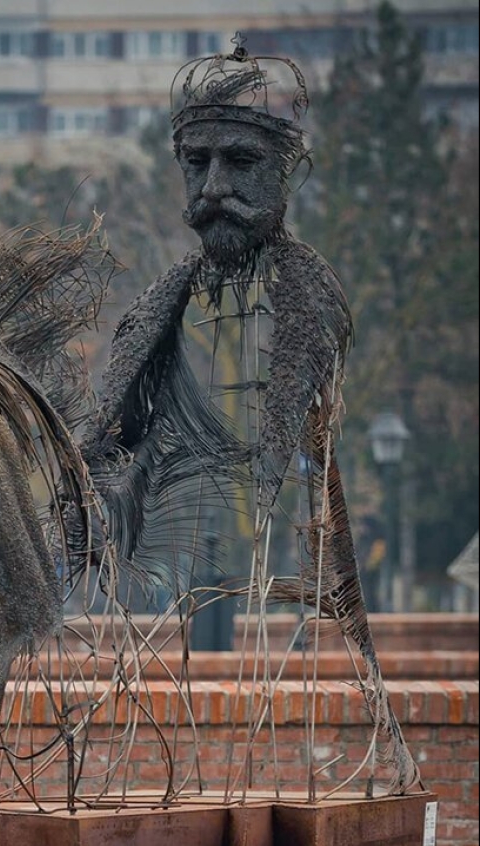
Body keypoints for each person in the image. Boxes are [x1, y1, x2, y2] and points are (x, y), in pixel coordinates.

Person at [80, 38, 419, 794]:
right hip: (162, 611)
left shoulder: (309, 296)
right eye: (194, 165)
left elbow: (300, 467)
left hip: (286, 598)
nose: (211, 187)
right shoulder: (158, 306)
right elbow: (108, 443)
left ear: (283, 172)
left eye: (238, 164)